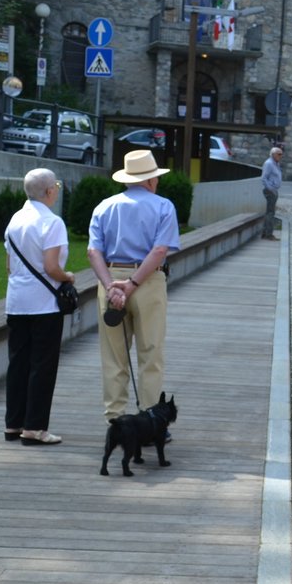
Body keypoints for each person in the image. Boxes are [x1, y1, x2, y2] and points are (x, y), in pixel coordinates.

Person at [87, 150, 181, 421]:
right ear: (151, 179)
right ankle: (150, 419)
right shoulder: (163, 206)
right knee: (150, 354)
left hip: (110, 279)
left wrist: (111, 286)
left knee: (113, 356)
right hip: (147, 280)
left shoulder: (104, 206)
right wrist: (132, 283)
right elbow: (160, 249)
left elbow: (93, 253)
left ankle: (115, 418)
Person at [3, 168, 72, 446]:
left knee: (18, 363)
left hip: (16, 300)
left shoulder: (15, 220)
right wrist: (68, 277)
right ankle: (34, 428)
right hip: (44, 304)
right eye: (55, 184)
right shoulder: (52, 222)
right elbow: (52, 267)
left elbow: (9, 266)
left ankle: (13, 424)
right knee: (42, 365)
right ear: (49, 191)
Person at [260, 146, 283, 240]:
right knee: (270, 213)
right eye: (279, 154)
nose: (280, 156)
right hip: (270, 191)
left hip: (274, 190)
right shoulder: (269, 163)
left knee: (270, 212)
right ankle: (268, 234)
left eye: (281, 154)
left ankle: (265, 233)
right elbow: (264, 178)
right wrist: (271, 189)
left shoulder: (276, 164)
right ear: (273, 154)